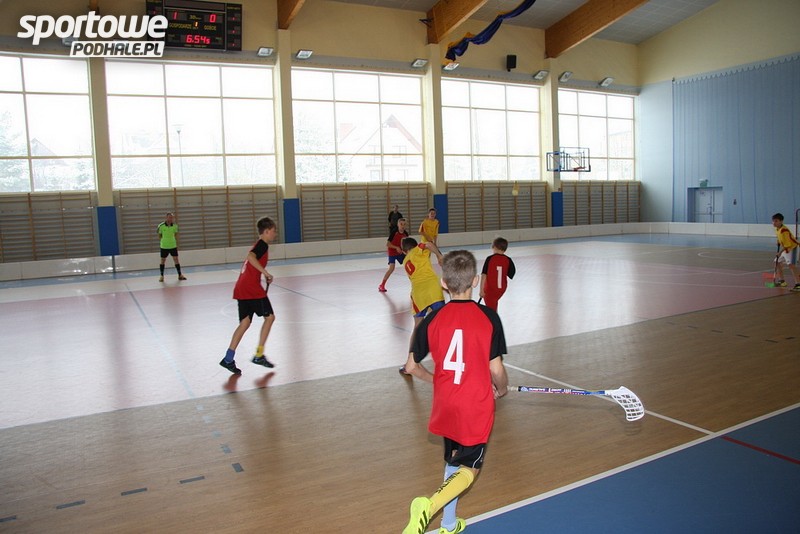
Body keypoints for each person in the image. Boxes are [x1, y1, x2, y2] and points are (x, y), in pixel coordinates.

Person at [402, 250, 509, 534]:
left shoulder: (431, 320)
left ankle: (448, 524)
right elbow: (496, 369)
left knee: (455, 460)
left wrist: (437, 380)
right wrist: (502, 388)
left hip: (446, 404)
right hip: (475, 405)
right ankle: (428, 507)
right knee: (470, 469)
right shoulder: (488, 317)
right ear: (475, 281)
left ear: (444, 283)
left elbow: (411, 367)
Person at [219, 216, 279, 374]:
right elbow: (251, 257)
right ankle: (259, 354)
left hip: (241, 287)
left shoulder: (259, 245)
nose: (275, 234)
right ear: (266, 231)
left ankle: (228, 358)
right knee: (270, 317)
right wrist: (265, 272)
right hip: (251, 289)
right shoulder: (262, 245)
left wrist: (262, 274)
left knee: (245, 323)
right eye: (273, 231)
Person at [398, 237, 444, 375]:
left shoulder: (405, 261)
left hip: (418, 294)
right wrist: (439, 255)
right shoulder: (418, 250)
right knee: (444, 322)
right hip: (432, 290)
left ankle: (409, 363)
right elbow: (429, 244)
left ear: (404, 251)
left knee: (417, 327)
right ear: (414, 246)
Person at [479, 237, 516, 311]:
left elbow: (484, 275)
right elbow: (511, 273)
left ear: (494, 247)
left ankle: (494, 318)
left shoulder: (490, 258)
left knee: (491, 311)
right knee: (493, 305)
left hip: (490, 289)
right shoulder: (508, 260)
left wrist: (481, 290)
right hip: (501, 289)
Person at [771, 212, 800, 291]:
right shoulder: (777, 229)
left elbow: (788, 245)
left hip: (792, 248)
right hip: (786, 249)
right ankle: (782, 281)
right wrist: (778, 241)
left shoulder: (784, 230)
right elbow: (779, 238)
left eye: (776, 221)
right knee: (777, 262)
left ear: (781, 221)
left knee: (791, 266)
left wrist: (779, 253)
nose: (774, 223)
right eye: (773, 221)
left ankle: (798, 284)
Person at [379, 217, 408, 292]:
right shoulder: (394, 232)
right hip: (392, 251)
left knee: (408, 264)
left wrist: (405, 251)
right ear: (398, 224)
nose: (402, 226)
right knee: (391, 268)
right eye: (401, 224)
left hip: (400, 252)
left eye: (404, 224)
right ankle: (382, 285)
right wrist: (396, 247)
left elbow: (405, 245)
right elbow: (388, 244)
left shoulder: (405, 234)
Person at [157, 212, 186, 282]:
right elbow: (159, 235)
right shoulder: (161, 226)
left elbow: (176, 234)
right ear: (166, 218)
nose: (171, 219)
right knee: (163, 260)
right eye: (169, 217)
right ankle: (161, 276)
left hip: (173, 245)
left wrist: (175, 242)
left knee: (176, 260)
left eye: (172, 217)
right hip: (164, 246)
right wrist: (164, 241)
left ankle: (180, 275)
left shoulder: (175, 226)